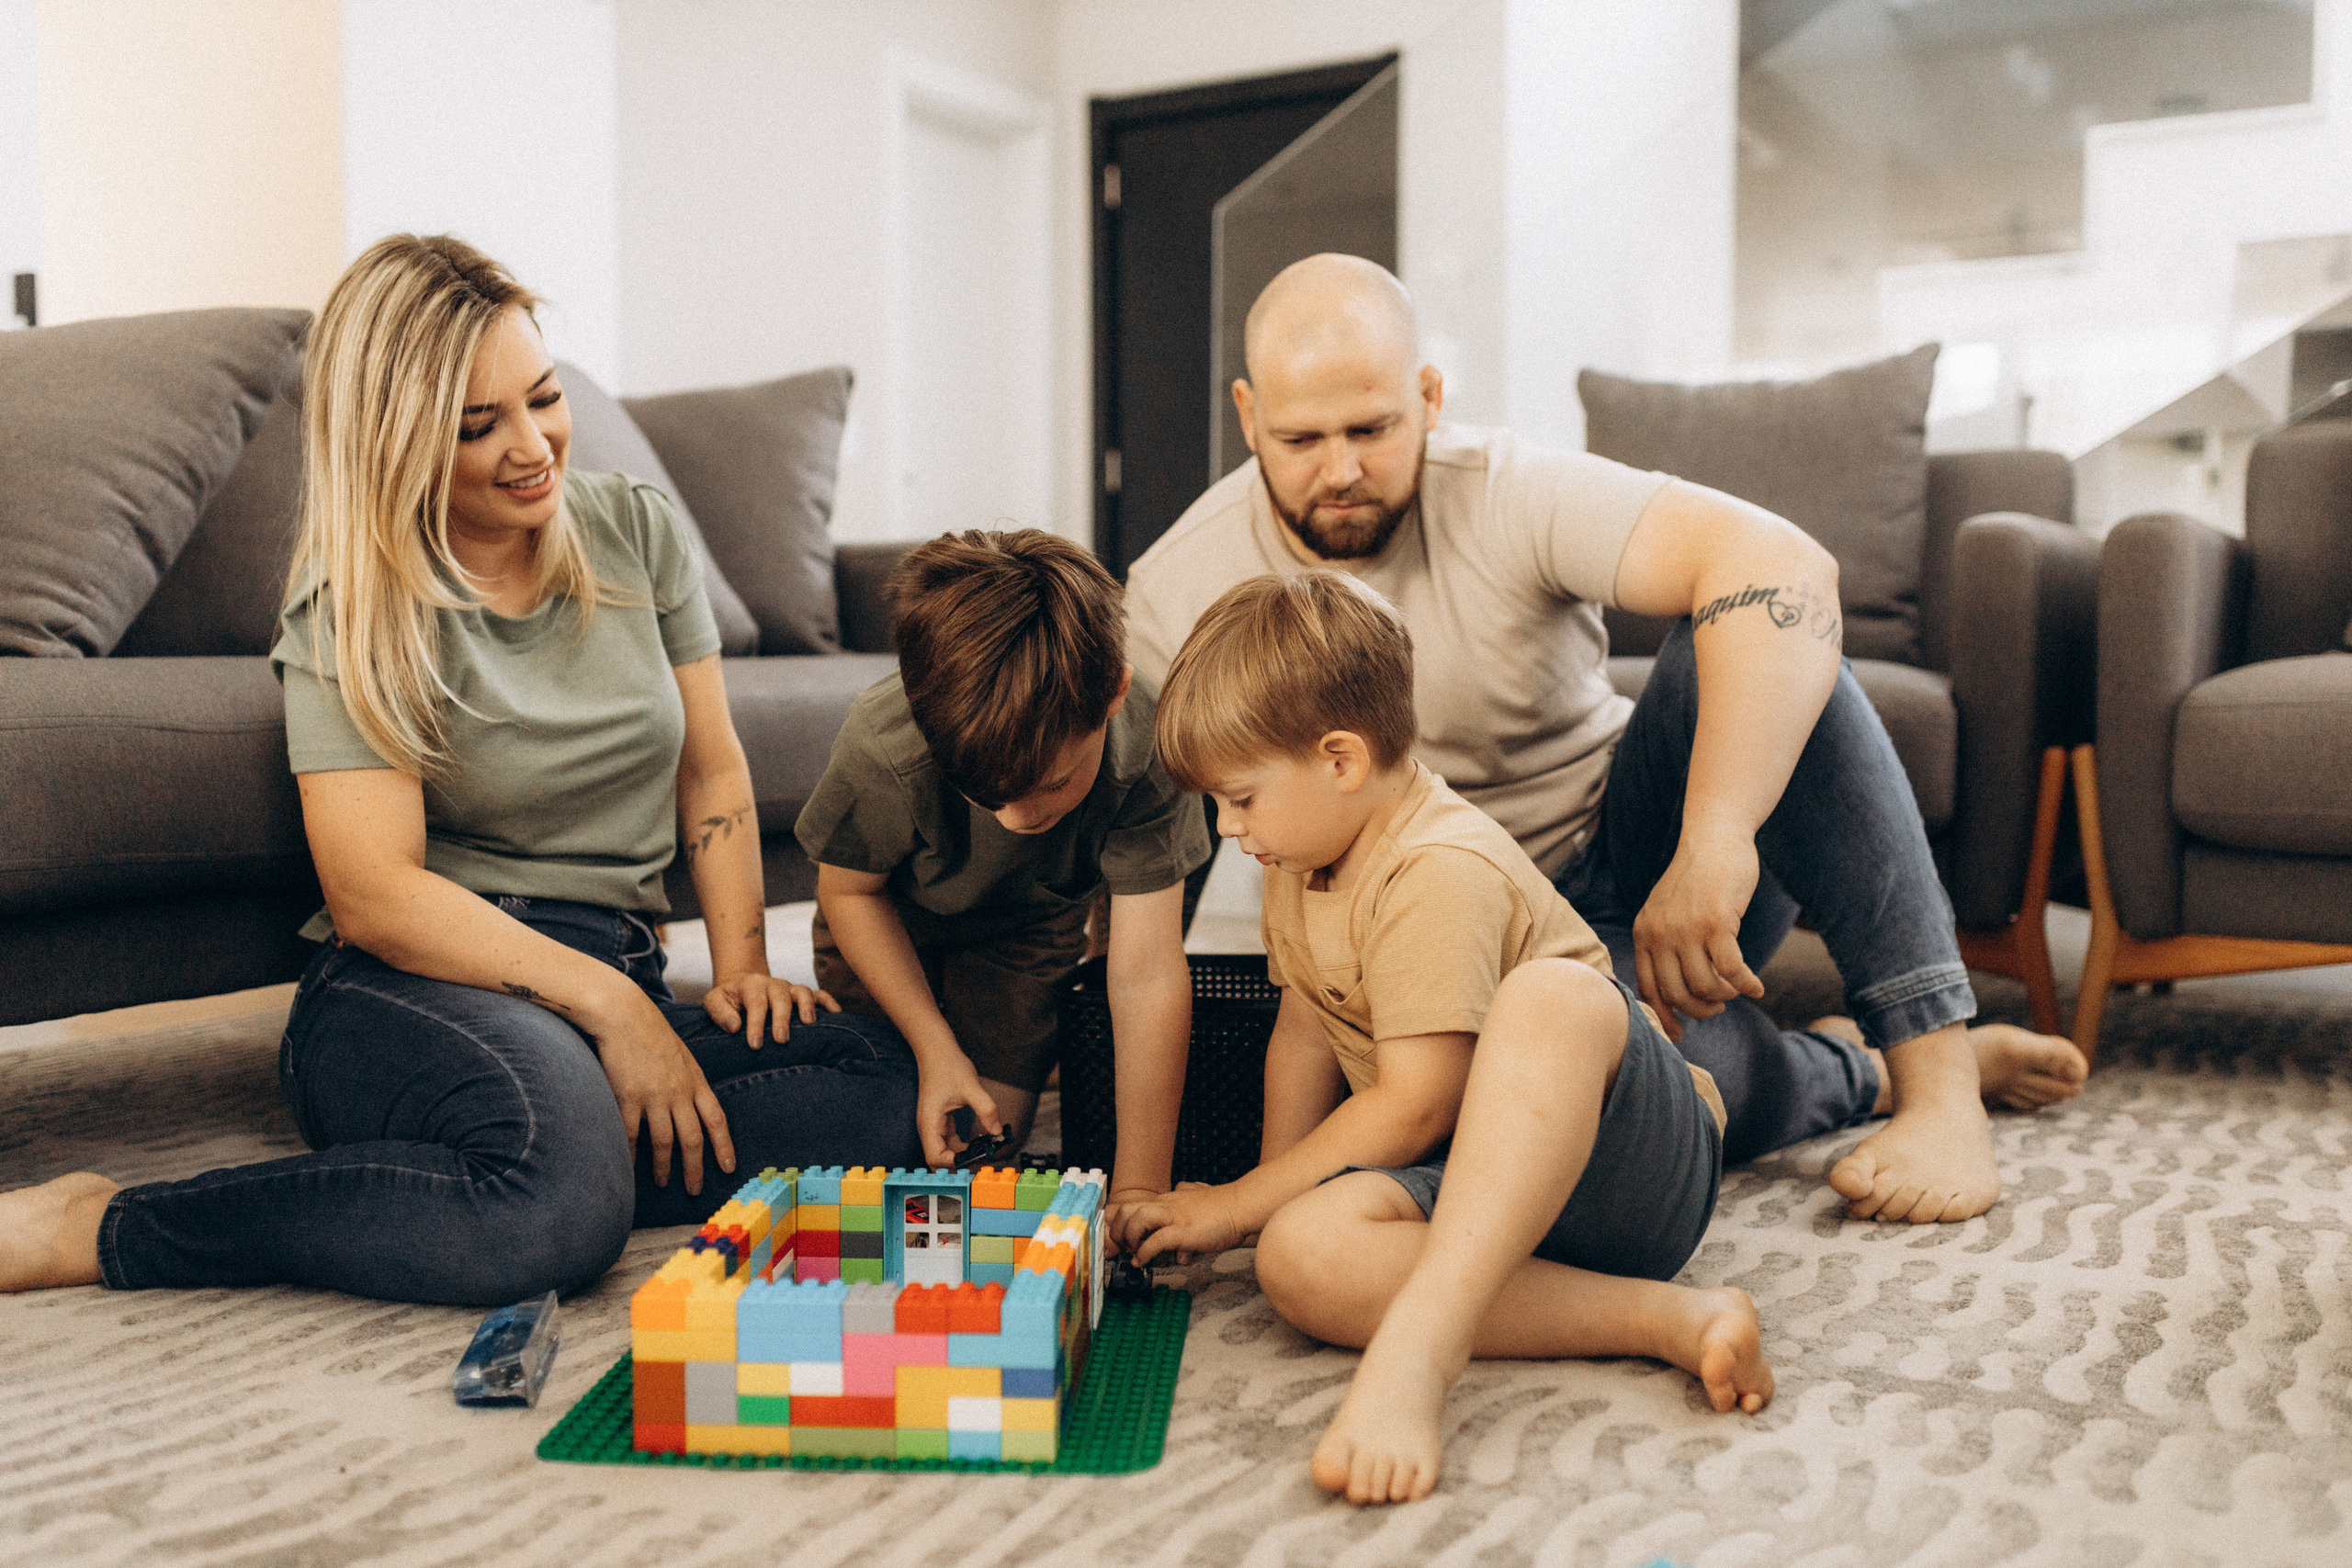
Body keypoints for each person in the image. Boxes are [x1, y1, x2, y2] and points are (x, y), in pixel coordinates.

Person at [0, 234, 921, 1303]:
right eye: (478, 425)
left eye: (542, 398)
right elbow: (373, 893)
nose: (532, 446)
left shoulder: (635, 529)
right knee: (555, 1220)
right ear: (396, 442)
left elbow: (712, 772)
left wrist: (745, 967)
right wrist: (618, 1019)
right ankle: (104, 1224)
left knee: (881, 1087)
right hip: (420, 985)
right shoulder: (358, 602)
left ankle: (521, 1159)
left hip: (606, 967)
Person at [1125, 254, 2090, 1226]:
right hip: (1477, 954)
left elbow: (1783, 564)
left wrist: (1714, 836)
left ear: (1427, 397)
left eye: (1371, 429)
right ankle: (1852, 1068)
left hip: (1636, 863)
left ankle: (1936, 1079)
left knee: (1770, 625)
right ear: (1248, 419)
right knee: (1620, 1110)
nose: (1339, 469)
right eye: (1299, 439)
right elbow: (1112, 796)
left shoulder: (1504, 489)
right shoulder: (1174, 587)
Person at [1125, 570, 1773, 1506]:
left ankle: (1420, 1352)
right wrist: (1264, 1208)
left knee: (1551, 996)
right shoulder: (1300, 853)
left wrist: (1228, 1202)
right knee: (1299, 1259)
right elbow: (1304, 1035)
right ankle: (1668, 1320)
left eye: (1239, 799)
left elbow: (1417, 1101)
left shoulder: (1436, 869)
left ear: (1340, 760)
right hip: (1477, 1197)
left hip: (1618, 1177)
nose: (1228, 831)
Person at [797, 529, 1207, 1207]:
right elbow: (849, 894)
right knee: (897, 1136)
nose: (1017, 816)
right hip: (892, 922)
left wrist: (1138, 1186)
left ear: (1112, 693)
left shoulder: (1149, 750)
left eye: (1050, 783)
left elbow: (1146, 973)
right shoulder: (883, 742)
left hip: (1027, 936)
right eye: (985, 791)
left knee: (982, 1148)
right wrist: (936, 1048)